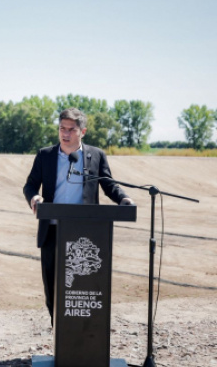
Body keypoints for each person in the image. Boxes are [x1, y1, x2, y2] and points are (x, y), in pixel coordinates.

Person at [22, 107, 134, 325]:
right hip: (52, 231)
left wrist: (123, 198)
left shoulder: (96, 156)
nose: (65, 134)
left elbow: (108, 184)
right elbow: (30, 185)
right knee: (52, 287)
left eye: (71, 130)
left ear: (82, 131)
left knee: (83, 288)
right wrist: (34, 198)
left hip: (85, 235)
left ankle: (83, 336)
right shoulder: (45, 155)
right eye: (62, 128)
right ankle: (59, 332)